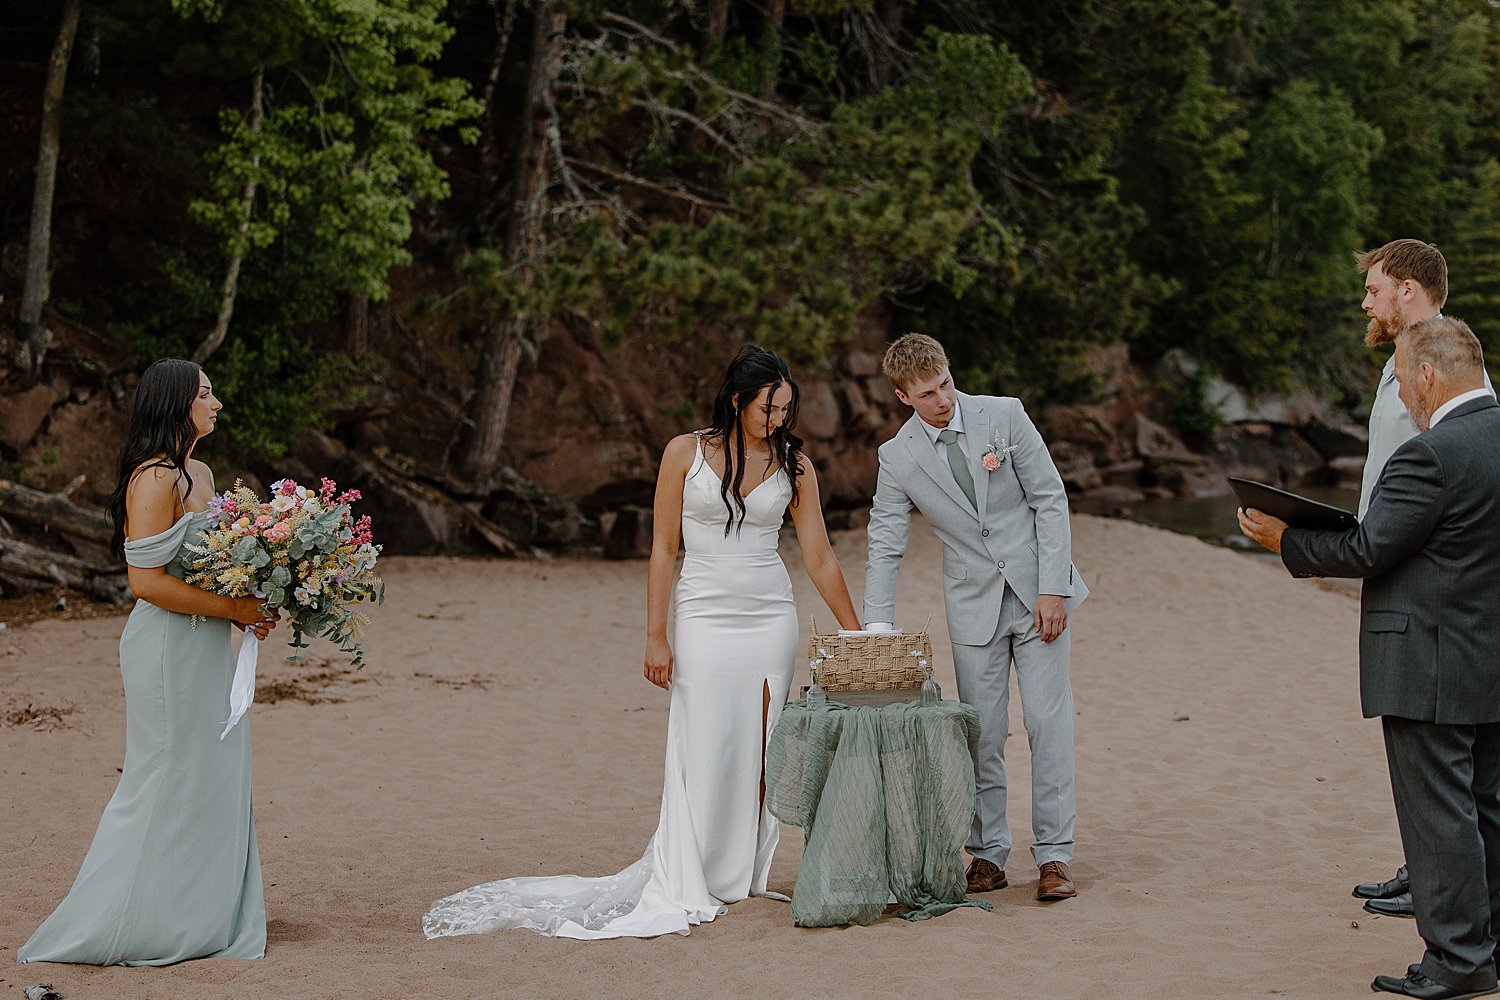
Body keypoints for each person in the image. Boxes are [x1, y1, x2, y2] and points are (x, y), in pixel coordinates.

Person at [422, 344, 862, 940]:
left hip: (770, 616)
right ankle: (692, 868)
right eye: (767, 408)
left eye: (785, 409)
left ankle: (738, 875)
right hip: (703, 614)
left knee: (763, 745)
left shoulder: (795, 466)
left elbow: (818, 554)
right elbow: (662, 550)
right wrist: (656, 636)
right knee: (705, 737)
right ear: (738, 400)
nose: (778, 420)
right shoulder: (684, 453)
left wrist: (855, 633)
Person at [1240, 317, 1500, 1000]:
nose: (1403, 400)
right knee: (1488, 806)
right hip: (1492, 655)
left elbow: (1366, 550)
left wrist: (1282, 539)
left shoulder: (1430, 454)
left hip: (1429, 659)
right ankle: (1489, 943)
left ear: (1424, 375)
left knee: (1440, 814)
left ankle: (1458, 960)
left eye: (1400, 380)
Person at [20, 359, 277, 967]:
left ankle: (199, 913)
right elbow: (145, 582)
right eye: (206, 393)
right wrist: (231, 605)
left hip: (209, 644)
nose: (216, 403)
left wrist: (253, 596)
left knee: (213, 771)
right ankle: (117, 921)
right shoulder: (154, 478)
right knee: (163, 773)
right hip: (166, 647)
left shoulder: (204, 474)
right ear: (177, 403)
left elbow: (215, 563)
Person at [862, 333, 1088, 902]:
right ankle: (987, 855)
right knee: (980, 736)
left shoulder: (1005, 416)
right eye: (927, 394)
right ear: (902, 396)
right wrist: (877, 627)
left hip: (1039, 598)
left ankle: (1055, 855)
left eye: (945, 385)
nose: (943, 400)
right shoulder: (898, 457)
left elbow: (1049, 498)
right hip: (971, 607)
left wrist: (1054, 588)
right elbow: (886, 539)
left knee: (1047, 724)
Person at [1350, 241, 1494, 920]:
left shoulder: (1448, 363)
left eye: (1376, 290)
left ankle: (1442, 891)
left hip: (1424, 572)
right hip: (1387, 556)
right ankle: (1423, 869)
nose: (1367, 303)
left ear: (1409, 290)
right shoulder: (1395, 364)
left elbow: (1442, 475)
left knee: (1440, 752)